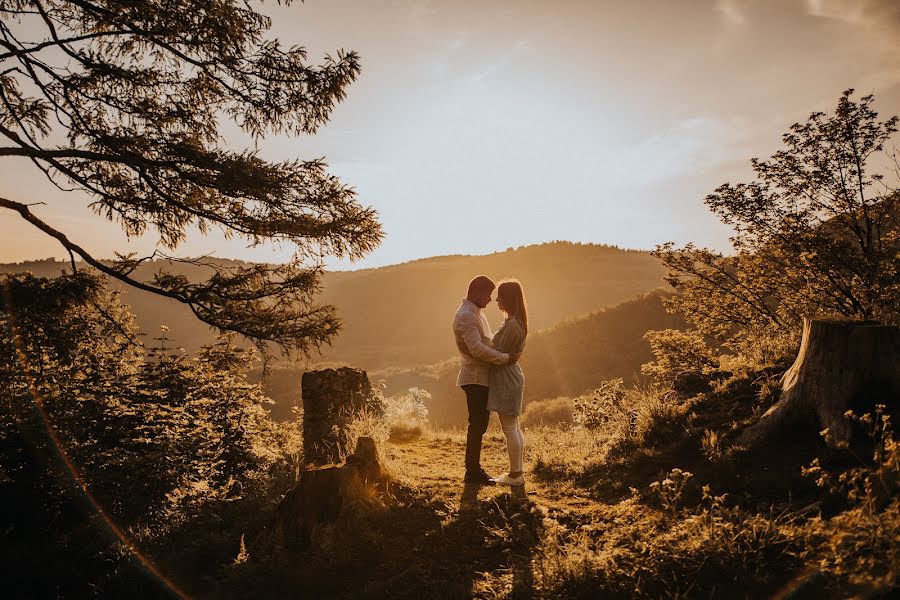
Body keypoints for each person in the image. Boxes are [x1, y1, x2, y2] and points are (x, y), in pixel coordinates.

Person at [452, 275, 520, 485]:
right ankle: (472, 471)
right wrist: (504, 358)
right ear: (476, 293)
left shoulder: (476, 314)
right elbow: (477, 349)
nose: (491, 299)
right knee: (477, 425)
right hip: (474, 377)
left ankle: (473, 469)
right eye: (488, 295)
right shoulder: (467, 316)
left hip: (480, 376)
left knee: (479, 425)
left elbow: (486, 342)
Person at [487, 280, 528, 486]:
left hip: (507, 379)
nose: (496, 300)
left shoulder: (512, 325)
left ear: (508, 298)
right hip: (510, 376)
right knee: (514, 427)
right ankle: (516, 473)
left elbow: (496, 353)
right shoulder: (514, 321)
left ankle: (515, 475)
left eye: (500, 296)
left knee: (510, 428)